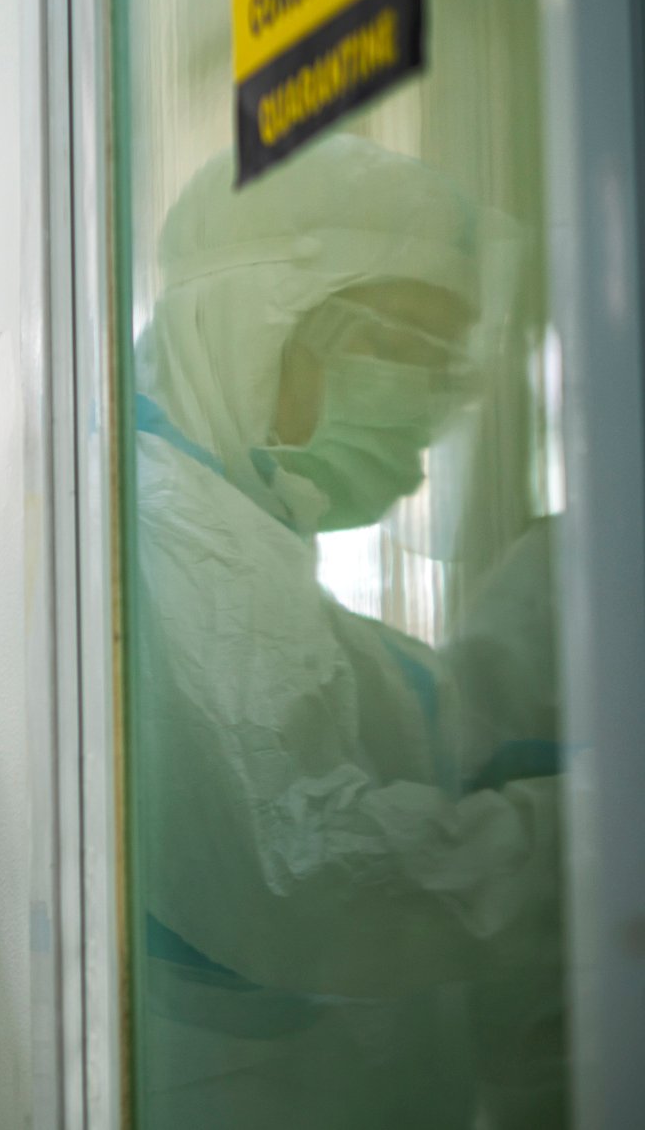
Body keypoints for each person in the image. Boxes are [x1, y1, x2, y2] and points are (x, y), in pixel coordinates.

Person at [126, 136, 565, 1129]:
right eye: (403, 345)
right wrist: (583, 836)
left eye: (446, 364)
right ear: (258, 318)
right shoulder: (182, 537)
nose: (433, 396)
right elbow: (310, 874)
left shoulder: (233, 529)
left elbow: (383, 712)